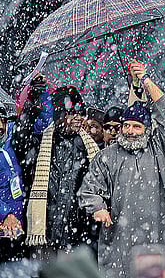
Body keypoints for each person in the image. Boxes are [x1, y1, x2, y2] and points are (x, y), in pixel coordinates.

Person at [78, 61, 165, 278]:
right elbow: (88, 189)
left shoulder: (159, 148)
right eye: (126, 125)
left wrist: (145, 80)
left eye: (137, 126)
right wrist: (97, 207)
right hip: (120, 240)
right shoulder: (107, 156)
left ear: (147, 130)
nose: (130, 131)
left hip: (158, 237)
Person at [20, 86, 99, 259]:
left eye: (80, 114)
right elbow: (21, 138)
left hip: (77, 231)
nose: (77, 119)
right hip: (45, 231)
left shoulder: (88, 146)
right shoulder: (41, 142)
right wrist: (33, 104)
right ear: (60, 115)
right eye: (72, 114)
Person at [0, 102, 25, 262]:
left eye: (2, 120)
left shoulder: (10, 144)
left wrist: (14, 216)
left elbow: (42, 123)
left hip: (13, 230)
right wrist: (6, 214)